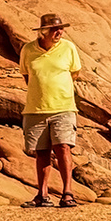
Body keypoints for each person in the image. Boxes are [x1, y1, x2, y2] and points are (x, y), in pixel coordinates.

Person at [19, 12, 83, 208]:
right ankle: (42, 195)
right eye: (55, 29)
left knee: (63, 147)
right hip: (36, 109)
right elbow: (27, 76)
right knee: (42, 153)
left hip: (63, 107)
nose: (59, 32)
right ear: (43, 31)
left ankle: (68, 193)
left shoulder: (68, 48)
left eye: (61, 28)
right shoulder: (28, 50)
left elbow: (74, 73)